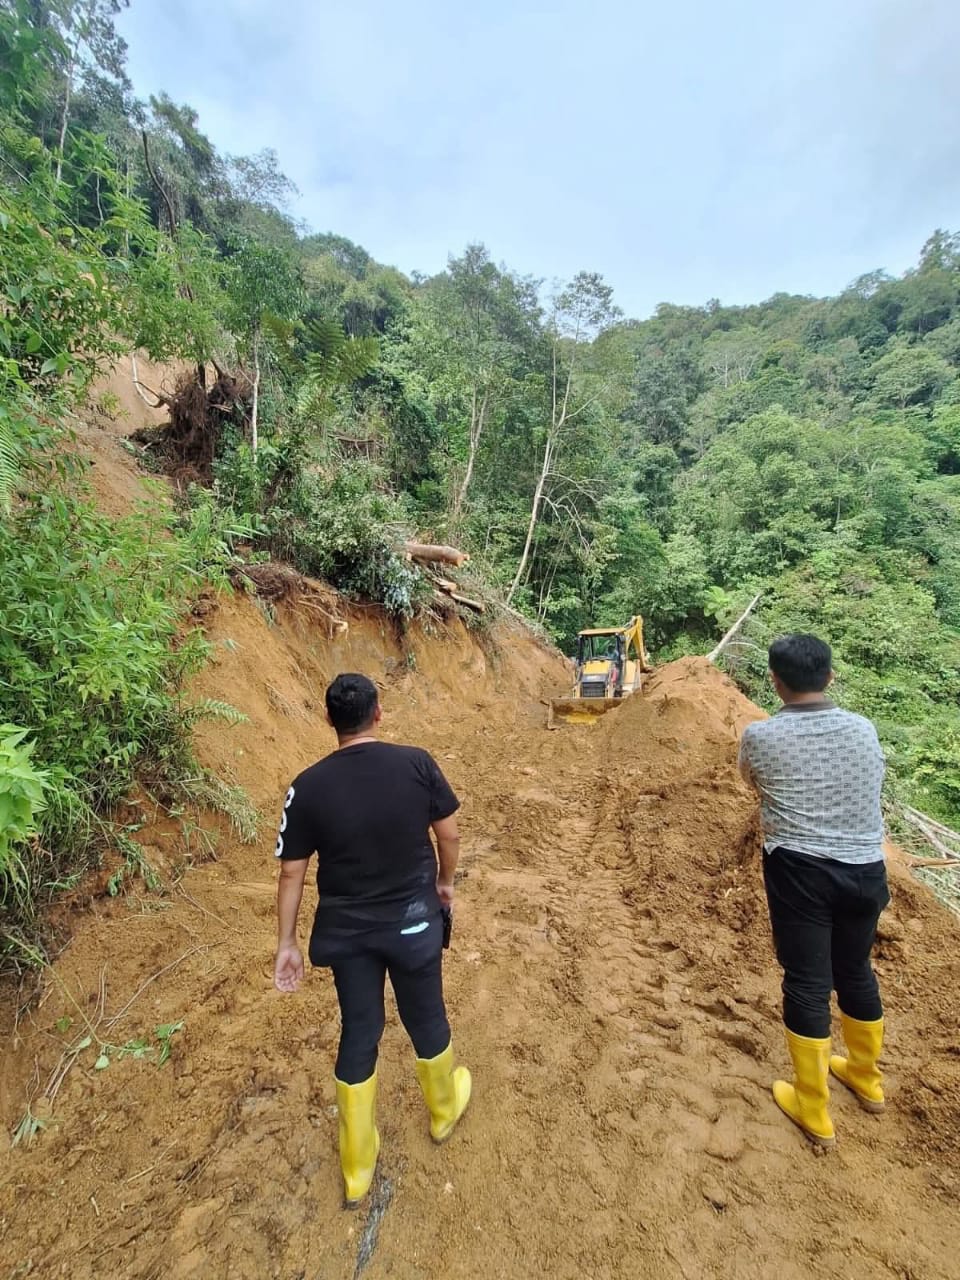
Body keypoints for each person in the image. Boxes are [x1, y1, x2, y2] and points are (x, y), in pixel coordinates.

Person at [273, 672, 471, 1206]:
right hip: (413, 922)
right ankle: (443, 1112)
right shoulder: (416, 763)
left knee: (360, 1029)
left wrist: (286, 942)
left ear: (329, 720)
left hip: (349, 934)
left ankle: (357, 1165)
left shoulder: (307, 786)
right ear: (379, 713)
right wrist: (444, 885)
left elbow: (291, 874)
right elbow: (448, 833)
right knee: (425, 1015)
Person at [738, 633, 889, 1147]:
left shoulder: (760, 737)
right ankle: (867, 1080)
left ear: (775, 683)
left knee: (806, 981)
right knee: (855, 970)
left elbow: (751, 784)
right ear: (830, 676)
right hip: (868, 870)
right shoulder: (864, 729)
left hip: (800, 870)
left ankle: (813, 1105)